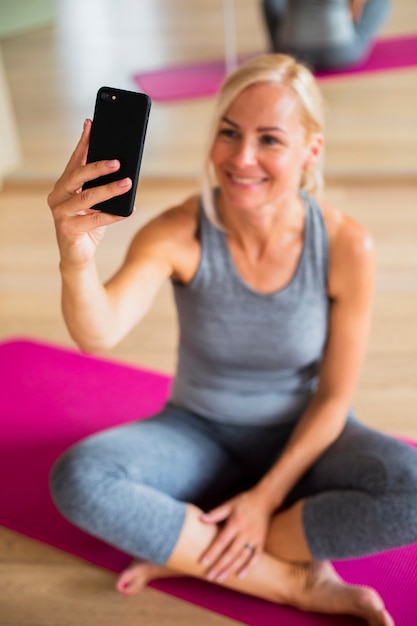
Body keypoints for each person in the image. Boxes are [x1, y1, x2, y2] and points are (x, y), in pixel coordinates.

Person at [48, 53, 417, 625]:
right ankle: (292, 582)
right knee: (79, 479)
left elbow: (334, 397)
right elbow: (100, 333)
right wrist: (76, 259)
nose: (241, 158)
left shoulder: (346, 245)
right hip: (195, 435)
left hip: (305, 436)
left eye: (270, 139)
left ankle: (194, 546)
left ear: (310, 151)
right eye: (228, 132)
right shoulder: (179, 231)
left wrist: (264, 498)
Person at [261, 0, 392, 70]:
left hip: (290, 51)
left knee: (270, 2)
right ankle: (357, 38)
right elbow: (354, 15)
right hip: (340, 52)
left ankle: (276, 49)